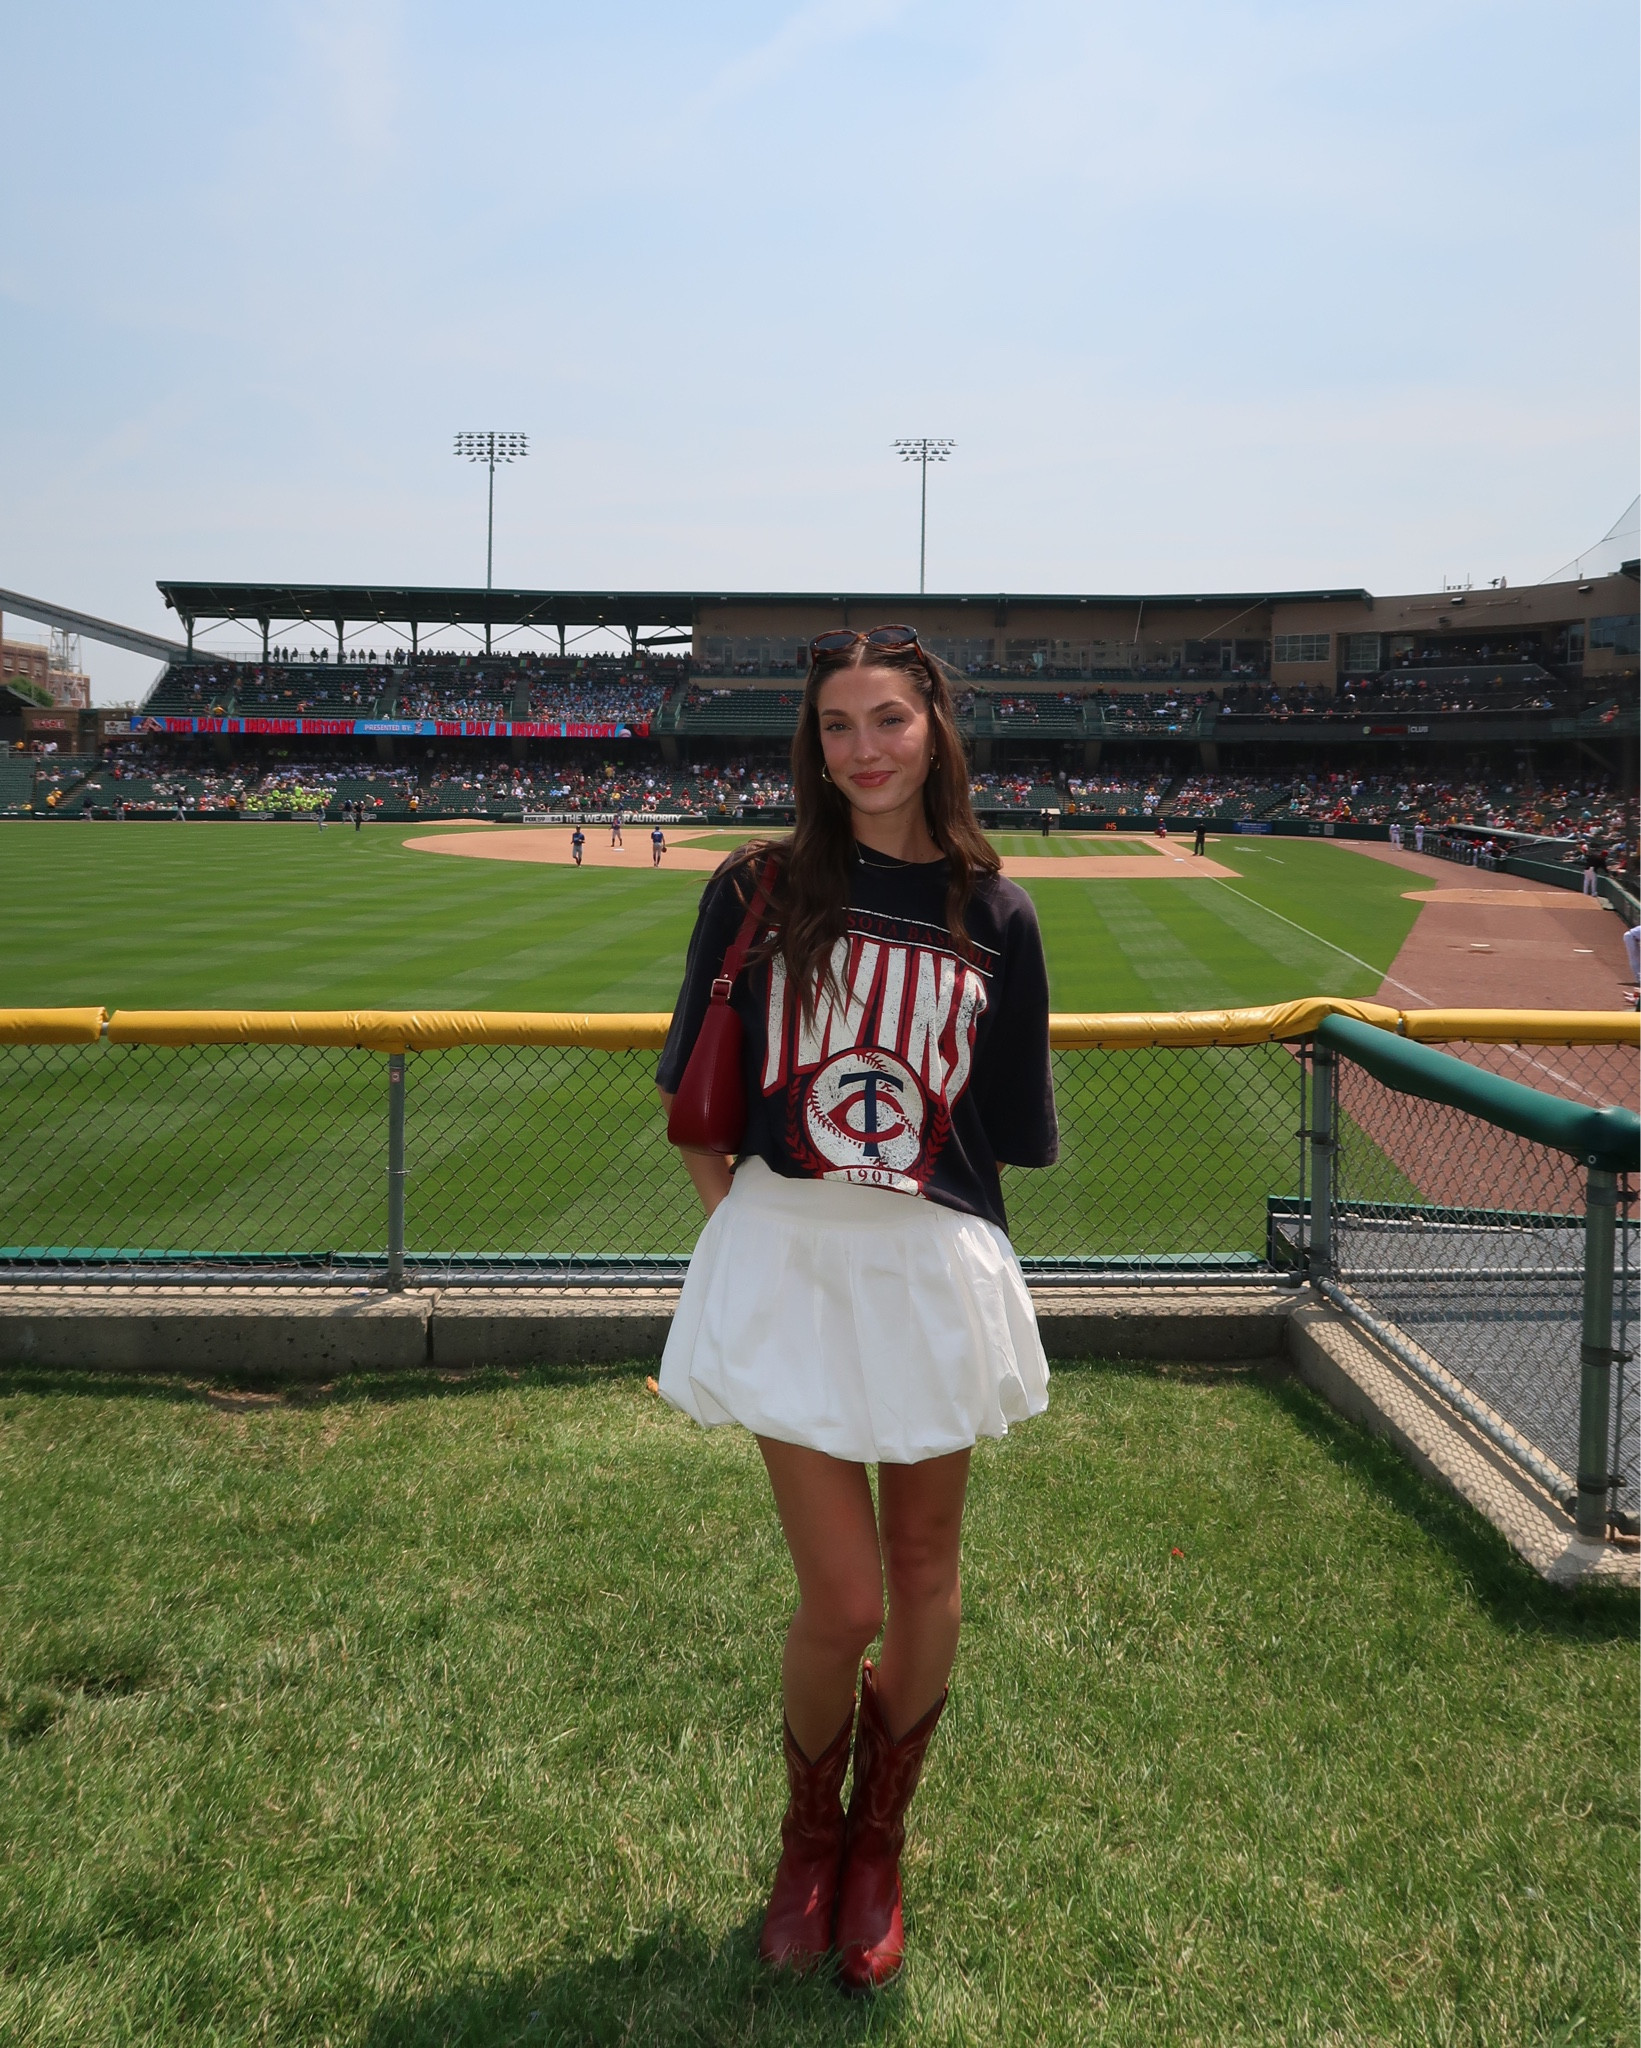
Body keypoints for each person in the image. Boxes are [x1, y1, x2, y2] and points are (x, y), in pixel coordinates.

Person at [656, 623, 1056, 1992]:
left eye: (888, 718)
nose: (864, 747)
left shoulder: (995, 912)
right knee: (840, 1597)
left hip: (926, 1264)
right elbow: (694, 1103)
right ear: (810, 745)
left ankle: (876, 1846)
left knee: (928, 1574)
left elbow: (1002, 1131)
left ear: (934, 729)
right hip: (789, 1255)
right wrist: (752, 1241)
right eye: (837, 725)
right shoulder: (756, 886)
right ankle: (802, 1841)